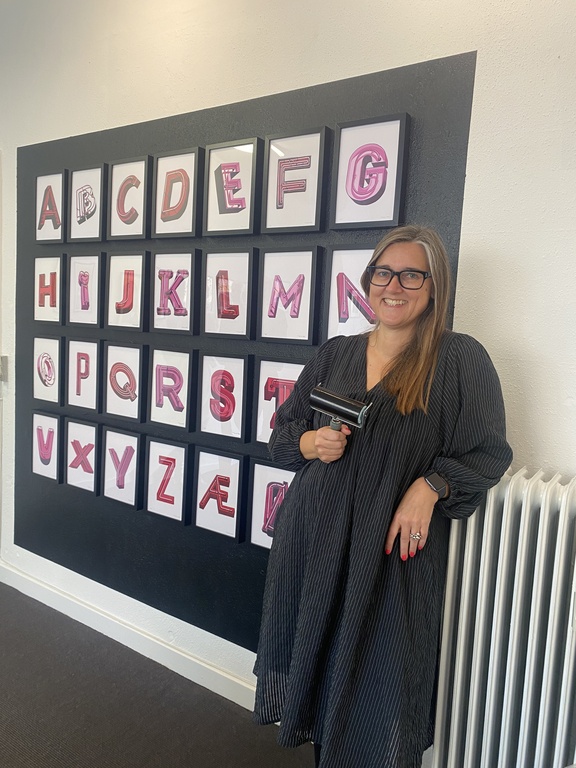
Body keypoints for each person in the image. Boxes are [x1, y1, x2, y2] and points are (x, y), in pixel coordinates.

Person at [253, 225, 512, 768]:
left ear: (435, 285)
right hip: (315, 542)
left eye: (412, 273)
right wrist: (311, 442)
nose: (394, 285)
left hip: (388, 557)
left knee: (381, 690)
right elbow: (281, 437)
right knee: (321, 674)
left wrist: (431, 485)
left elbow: (487, 452)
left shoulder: (460, 361)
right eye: (383, 272)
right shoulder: (335, 354)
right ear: (369, 281)